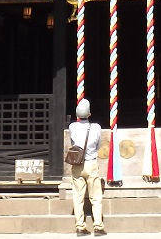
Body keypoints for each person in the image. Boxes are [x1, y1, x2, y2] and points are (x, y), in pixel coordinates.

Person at [69, 98, 105, 236]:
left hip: (77, 164)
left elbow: (73, 143)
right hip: (91, 163)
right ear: (89, 114)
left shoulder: (72, 127)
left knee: (78, 196)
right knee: (96, 196)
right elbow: (98, 145)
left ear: (77, 115)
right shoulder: (96, 127)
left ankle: (80, 226)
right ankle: (98, 226)